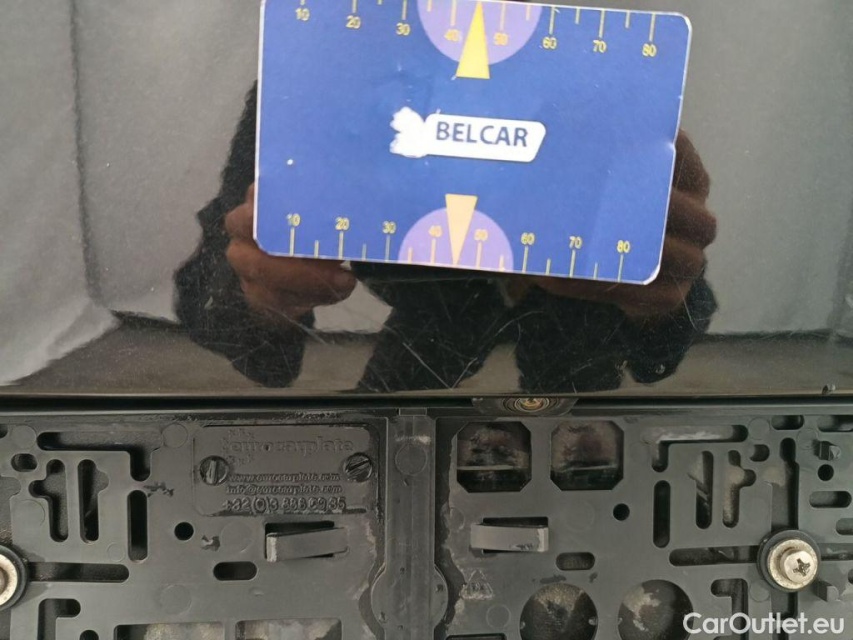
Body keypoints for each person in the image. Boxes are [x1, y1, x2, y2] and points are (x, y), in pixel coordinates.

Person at [175, 84, 717, 392]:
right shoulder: (316, 84)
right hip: (439, 336)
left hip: (568, 332)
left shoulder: (593, 92)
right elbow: (223, 305)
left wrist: (664, 295)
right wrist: (261, 297)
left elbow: (663, 346)